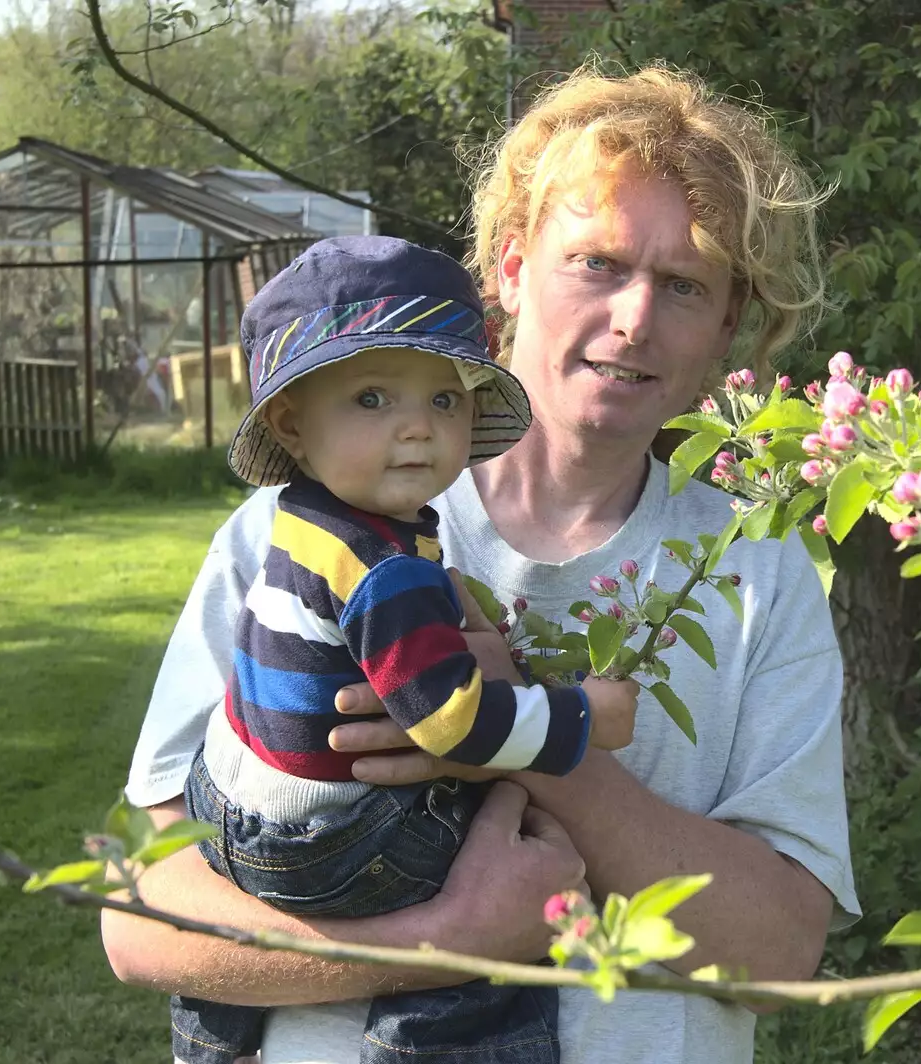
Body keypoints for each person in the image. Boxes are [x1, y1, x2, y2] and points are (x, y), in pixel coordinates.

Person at [103, 63, 859, 1064]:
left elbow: (778, 951)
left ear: (725, 324)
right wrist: (449, 940)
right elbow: (141, 913)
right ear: (509, 270)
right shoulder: (293, 530)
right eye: (597, 263)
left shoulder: (756, 573)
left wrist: (527, 743)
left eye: (683, 284)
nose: (635, 318)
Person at [165, 235, 640, 1064]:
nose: (419, 429)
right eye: (374, 399)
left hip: (223, 804)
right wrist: (582, 718)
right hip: (321, 843)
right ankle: (431, 1043)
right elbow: (449, 724)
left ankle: (214, 1027)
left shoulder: (305, 519)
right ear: (291, 422)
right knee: (497, 907)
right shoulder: (387, 572)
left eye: (446, 402)